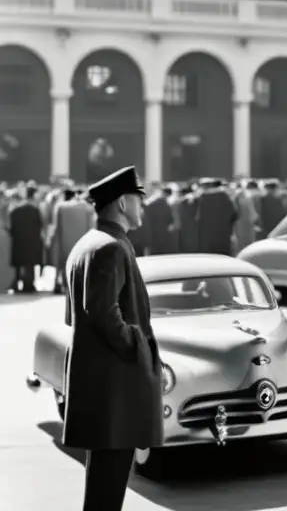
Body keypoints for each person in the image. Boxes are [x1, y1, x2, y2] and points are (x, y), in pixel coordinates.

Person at [63, 166, 163, 511]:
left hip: (101, 389)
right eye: (139, 200)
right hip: (114, 391)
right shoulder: (112, 247)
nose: (143, 208)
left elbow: (72, 317)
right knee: (106, 496)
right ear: (123, 202)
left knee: (102, 490)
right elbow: (104, 314)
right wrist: (138, 346)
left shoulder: (87, 245)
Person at [8, 182, 44, 293]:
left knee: (19, 262)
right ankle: (29, 284)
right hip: (31, 240)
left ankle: (17, 282)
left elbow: (11, 227)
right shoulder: (35, 210)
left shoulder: (15, 210)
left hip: (19, 240)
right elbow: (40, 226)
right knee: (30, 263)